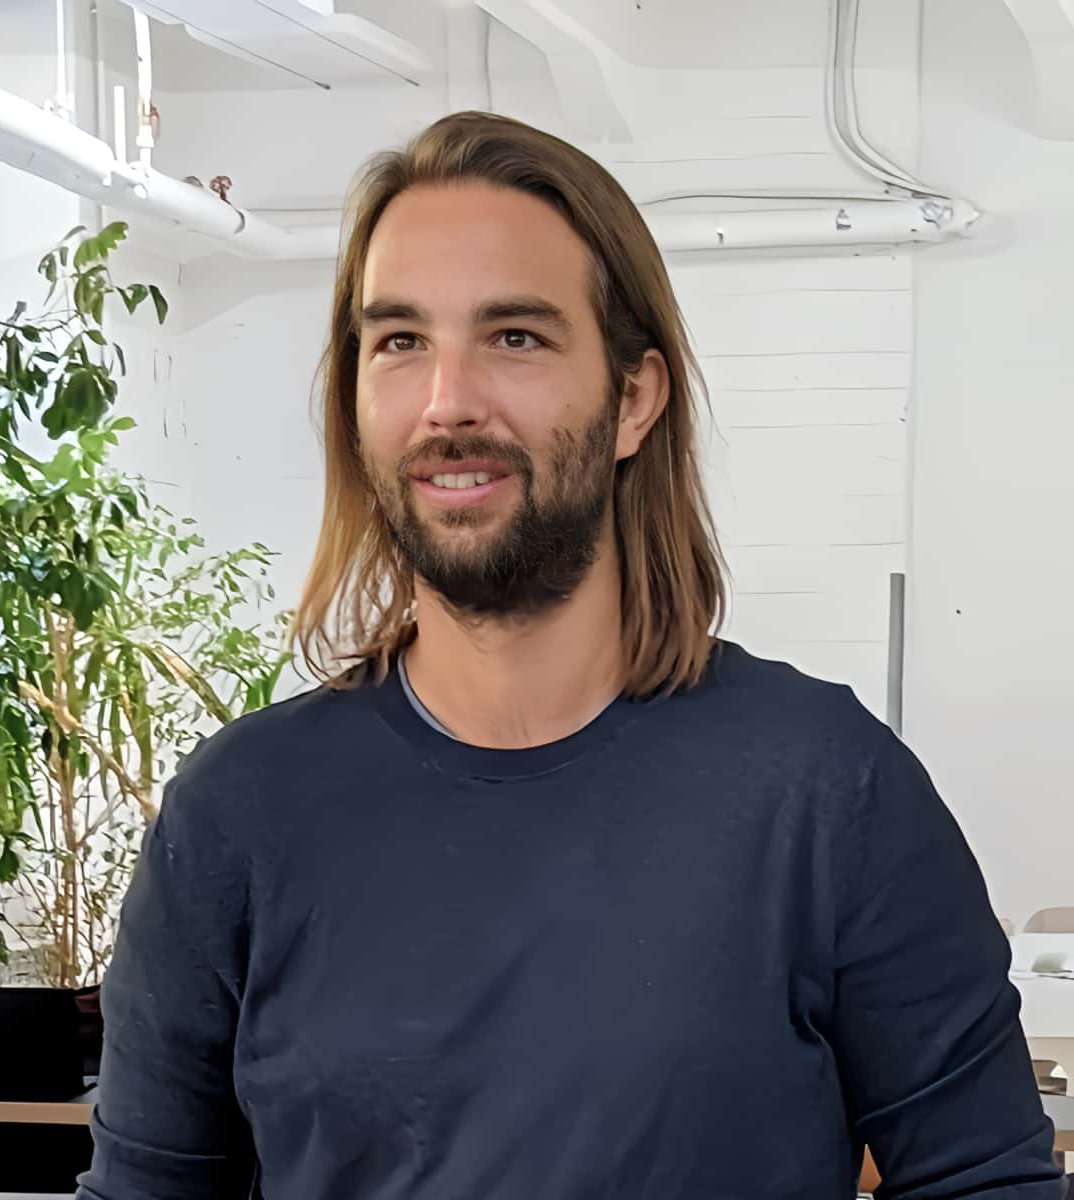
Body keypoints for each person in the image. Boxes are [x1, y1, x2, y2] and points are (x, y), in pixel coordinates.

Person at [75, 112, 1062, 1199]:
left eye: (516, 338)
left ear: (634, 398)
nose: (448, 402)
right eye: (399, 340)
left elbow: (987, 1182)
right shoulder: (238, 817)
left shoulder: (829, 792)